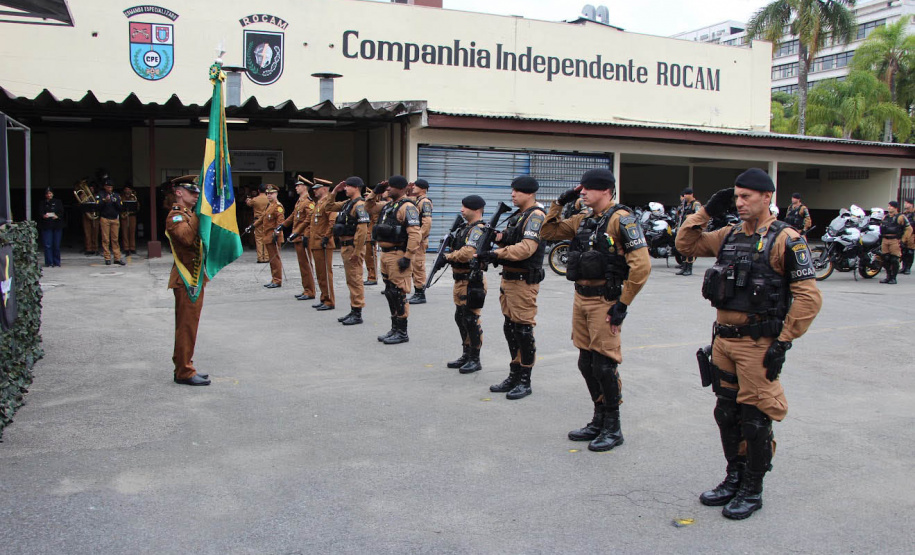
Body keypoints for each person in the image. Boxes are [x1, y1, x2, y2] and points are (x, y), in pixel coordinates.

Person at [675, 168, 822, 520]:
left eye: (746, 197)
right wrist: (706, 211)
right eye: (736, 197)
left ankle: (753, 488)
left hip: (758, 343)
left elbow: (808, 298)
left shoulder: (786, 239)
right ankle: (733, 477)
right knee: (727, 412)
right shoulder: (728, 235)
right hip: (723, 341)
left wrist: (783, 342)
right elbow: (685, 245)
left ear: (767, 197)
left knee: (755, 418)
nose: (739, 203)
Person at [541, 169, 651, 451]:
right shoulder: (584, 219)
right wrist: (559, 202)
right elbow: (548, 231)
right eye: (581, 189)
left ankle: (613, 427)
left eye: (588, 189)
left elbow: (641, 267)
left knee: (604, 364)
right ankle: (598, 419)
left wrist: (622, 305)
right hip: (581, 297)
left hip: (605, 299)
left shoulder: (621, 220)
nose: (583, 193)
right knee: (586, 362)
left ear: (606, 190)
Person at [476, 176, 546, 400]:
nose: (512, 194)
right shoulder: (518, 216)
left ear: (529, 193)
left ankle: (525, 380)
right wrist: (497, 237)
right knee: (511, 329)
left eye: (517, 191)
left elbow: (526, 248)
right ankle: (514, 374)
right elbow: (511, 238)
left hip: (524, 282)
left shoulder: (536, 216)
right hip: (510, 279)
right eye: (512, 190)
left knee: (523, 331)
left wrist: (495, 253)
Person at [166, 175, 211, 386]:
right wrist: (199, 214)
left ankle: (184, 364)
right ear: (178, 192)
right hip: (186, 279)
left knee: (189, 325)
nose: (196, 196)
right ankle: (184, 371)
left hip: (194, 277)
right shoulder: (175, 217)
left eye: (197, 193)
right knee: (186, 326)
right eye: (192, 192)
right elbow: (185, 238)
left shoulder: (188, 215)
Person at [366, 175, 422, 344]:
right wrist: (375, 192)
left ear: (400, 188)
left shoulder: (407, 207)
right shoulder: (388, 206)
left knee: (398, 294)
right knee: (390, 292)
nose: (388, 189)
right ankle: (394, 328)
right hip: (385, 254)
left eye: (391, 187)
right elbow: (368, 207)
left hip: (398, 254)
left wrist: (408, 257)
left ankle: (402, 332)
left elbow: (415, 234)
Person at [444, 195, 488, 373]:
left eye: (465, 207)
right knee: (460, 317)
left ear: (476, 210)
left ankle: (475, 358)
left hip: (472, 280)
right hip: (460, 279)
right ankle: (466, 353)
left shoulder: (479, 229)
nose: (462, 210)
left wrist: (448, 257)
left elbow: (468, 252)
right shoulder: (464, 228)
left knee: (471, 319)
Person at [326, 177, 371, 325]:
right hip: (346, 246)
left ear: (356, 187)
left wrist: (357, 252)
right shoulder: (347, 204)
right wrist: (334, 191)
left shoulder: (359, 205)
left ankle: (357, 312)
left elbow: (362, 230)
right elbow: (329, 206)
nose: (345, 189)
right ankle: (353, 309)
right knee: (350, 279)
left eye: (348, 187)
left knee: (356, 279)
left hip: (353, 247)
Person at [280, 176, 317, 301]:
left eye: (298, 186)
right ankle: (306, 289)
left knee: (306, 264)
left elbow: (309, 220)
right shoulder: (300, 201)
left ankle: (310, 291)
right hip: (298, 237)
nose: (296, 188)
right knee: (302, 265)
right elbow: (292, 216)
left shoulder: (309, 202)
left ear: (304, 187)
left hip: (302, 237)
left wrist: (304, 235)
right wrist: (283, 225)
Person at [309, 178, 337, 310]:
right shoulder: (318, 203)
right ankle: (324, 297)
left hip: (323, 243)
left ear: (325, 189)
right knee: (320, 273)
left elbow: (332, 222)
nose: (314, 191)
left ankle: (329, 300)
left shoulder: (328, 203)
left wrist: (326, 237)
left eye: (317, 188)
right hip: (316, 243)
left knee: (326, 272)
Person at [408, 178, 434, 305]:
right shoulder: (417, 200)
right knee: (414, 265)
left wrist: (419, 237)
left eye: (416, 186)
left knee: (418, 265)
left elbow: (427, 222)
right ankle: (417, 291)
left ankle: (420, 293)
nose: (413, 188)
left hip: (420, 240)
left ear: (423, 189)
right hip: (417, 239)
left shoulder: (425, 202)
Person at [253, 184, 285, 288]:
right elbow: (262, 218)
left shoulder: (278, 206)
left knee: (275, 259)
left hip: (274, 236)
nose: (269, 195)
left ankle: (277, 280)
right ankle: (274, 278)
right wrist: (252, 226)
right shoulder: (269, 205)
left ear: (276, 194)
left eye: (271, 193)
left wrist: (277, 233)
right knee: (272, 259)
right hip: (268, 236)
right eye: (268, 193)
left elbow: (280, 222)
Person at [879, 200, 912, 284]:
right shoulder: (885, 217)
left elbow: (909, 229)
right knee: (885, 259)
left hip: (895, 240)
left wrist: (903, 240)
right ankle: (888, 276)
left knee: (894, 259)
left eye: (891, 206)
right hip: (885, 240)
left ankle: (893, 278)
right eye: (888, 206)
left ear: (896, 208)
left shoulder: (901, 217)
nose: (889, 208)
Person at [97, 178, 125, 265]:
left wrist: (115, 201)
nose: (109, 189)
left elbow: (121, 208)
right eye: (108, 187)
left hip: (115, 218)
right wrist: (105, 201)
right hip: (105, 218)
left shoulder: (116, 195)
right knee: (105, 239)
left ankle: (117, 258)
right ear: (105, 187)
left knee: (115, 239)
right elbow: (97, 207)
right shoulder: (100, 195)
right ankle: (107, 258)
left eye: (111, 187)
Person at [675, 188, 702, 276]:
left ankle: (689, 268)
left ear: (691, 195)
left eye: (687, 194)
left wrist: (688, 217)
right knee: (683, 249)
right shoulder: (684, 205)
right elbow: (679, 216)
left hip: (691, 229)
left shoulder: (696, 204)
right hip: (683, 229)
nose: (685, 196)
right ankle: (684, 267)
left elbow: (698, 215)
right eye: (684, 195)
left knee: (689, 249)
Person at [38, 187, 65, 267]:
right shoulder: (42, 203)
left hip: (57, 225)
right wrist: (43, 215)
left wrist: (57, 216)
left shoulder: (58, 202)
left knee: (56, 244)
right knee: (48, 245)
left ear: (52, 194)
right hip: (46, 225)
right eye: (47, 193)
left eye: (50, 193)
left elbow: (61, 212)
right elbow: (40, 212)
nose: (49, 195)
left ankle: (57, 262)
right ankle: (49, 262)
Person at [245, 184, 269, 263]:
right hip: (267, 220)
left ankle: (260, 257)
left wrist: (248, 199)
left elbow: (248, 204)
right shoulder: (268, 199)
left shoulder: (255, 199)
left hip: (257, 220)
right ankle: (266, 257)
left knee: (259, 239)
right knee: (266, 238)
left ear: (258, 190)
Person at [79, 183, 100, 255]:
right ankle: (88, 248)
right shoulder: (84, 195)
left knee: (95, 232)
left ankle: (95, 248)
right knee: (87, 233)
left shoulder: (97, 195)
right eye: (89, 188)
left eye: (92, 188)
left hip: (95, 215)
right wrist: (83, 198)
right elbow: (81, 205)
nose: (90, 190)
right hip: (86, 215)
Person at [120, 184, 140, 255]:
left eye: (129, 189)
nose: (127, 190)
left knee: (132, 232)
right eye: (126, 189)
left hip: (132, 216)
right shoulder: (121, 197)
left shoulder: (133, 197)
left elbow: (137, 207)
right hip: (124, 216)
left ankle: (132, 248)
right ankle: (126, 248)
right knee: (125, 232)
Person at [364, 201, 379, 286]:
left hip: (371, 235)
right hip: (366, 235)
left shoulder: (374, 210)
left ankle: (373, 277)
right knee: (367, 258)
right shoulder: (367, 209)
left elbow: (375, 222)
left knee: (371, 256)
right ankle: (370, 275)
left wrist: (374, 235)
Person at [901, 199, 914, 275]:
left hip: (912, 234)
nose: (905, 205)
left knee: (910, 251)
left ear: (911, 204)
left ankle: (908, 267)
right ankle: (903, 267)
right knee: (903, 250)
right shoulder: (904, 214)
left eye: (907, 203)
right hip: (904, 234)